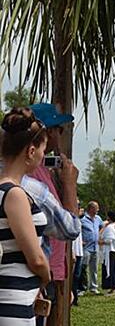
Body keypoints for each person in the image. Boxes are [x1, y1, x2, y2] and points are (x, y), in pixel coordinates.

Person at [28, 102, 80, 323]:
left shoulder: (37, 170)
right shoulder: (33, 178)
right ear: (48, 133)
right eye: (59, 129)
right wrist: (70, 184)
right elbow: (70, 227)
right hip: (41, 273)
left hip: (47, 271)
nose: (62, 134)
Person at [0, 107, 51, 325]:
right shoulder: (15, 195)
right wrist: (46, 277)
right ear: (31, 151)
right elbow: (36, 258)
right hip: (14, 296)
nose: (43, 156)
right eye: (43, 150)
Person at [81, 201, 104, 294]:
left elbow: (102, 226)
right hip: (86, 247)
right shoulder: (82, 218)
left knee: (94, 268)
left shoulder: (98, 218)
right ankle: (82, 287)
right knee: (83, 268)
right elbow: (77, 229)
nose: (98, 210)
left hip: (95, 247)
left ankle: (93, 287)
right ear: (91, 209)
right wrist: (80, 240)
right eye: (96, 208)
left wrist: (99, 234)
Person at [100, 211, 115, 296]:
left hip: (111, 251)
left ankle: (113, 288)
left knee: (112, 270)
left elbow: (109, 239)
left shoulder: (110, 227)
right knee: (114, 269)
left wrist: (102, 242)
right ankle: (113, 287)